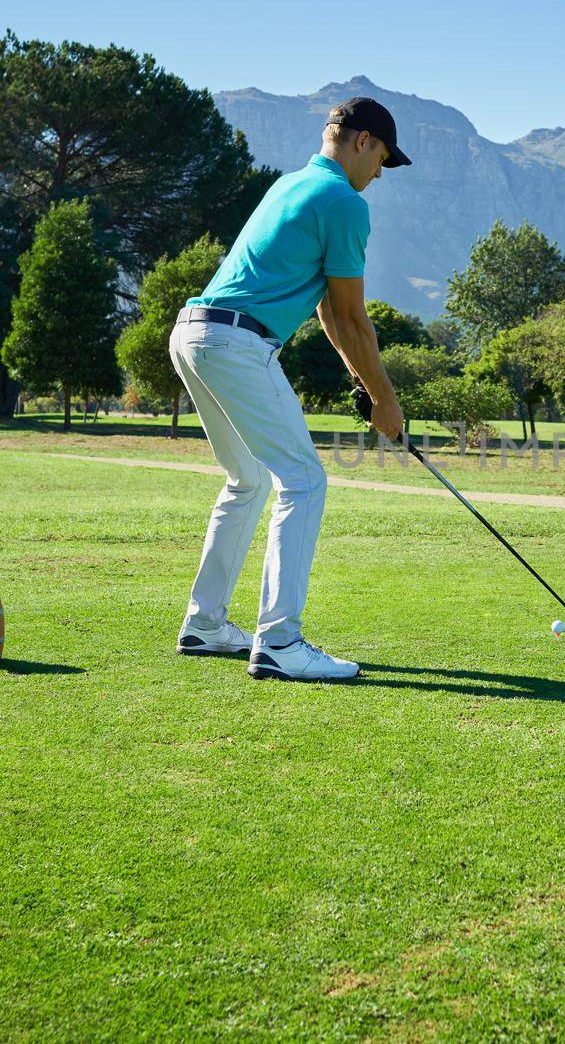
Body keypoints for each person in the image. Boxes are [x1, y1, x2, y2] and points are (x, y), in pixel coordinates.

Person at [167, 97, 409, 680]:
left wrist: (363, 380)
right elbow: (352, 317)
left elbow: (329, 312)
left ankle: (205, 626)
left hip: (192, 334)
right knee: (302, 479)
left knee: (246, 479)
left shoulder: (292, 184)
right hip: (236, 345)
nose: (380, 173)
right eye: (382, 158)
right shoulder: (344, 203)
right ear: (361, 141)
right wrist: (386, 400)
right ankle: (279, 642)